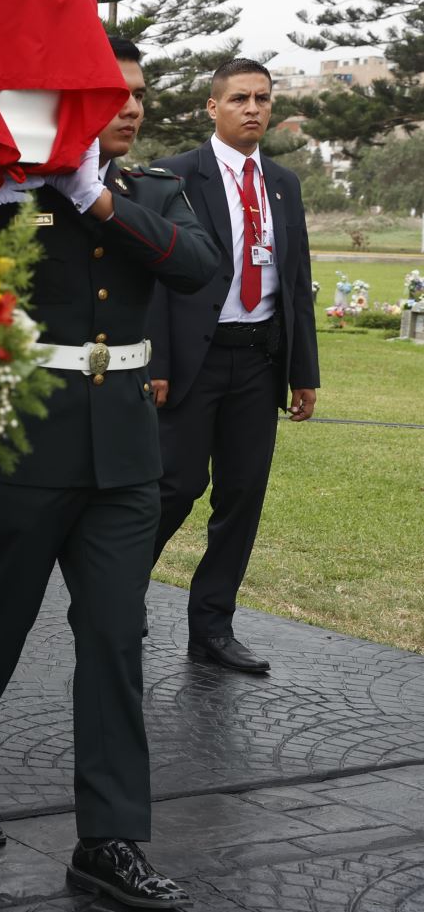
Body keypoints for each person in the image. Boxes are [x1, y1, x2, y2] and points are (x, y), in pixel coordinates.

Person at [0, 36, 220, 910]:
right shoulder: (3, 192)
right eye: (111, 95)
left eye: (138, 94)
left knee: (115, 634)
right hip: (29, 440)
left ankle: (110, 837)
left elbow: (198, 267)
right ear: (69, 105)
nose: (129, 108)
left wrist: (94, 197)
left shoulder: (152, 192)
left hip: (126, 450)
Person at [148, 58, 321, 674]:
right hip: (195, 360)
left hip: (258, 361)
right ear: (213, 108)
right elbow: (157, 281)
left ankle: (212, 628)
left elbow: (295, 281)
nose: (254, 108)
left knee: (242, 496)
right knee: (177, 487)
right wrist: (157, 362)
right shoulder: (174, 176)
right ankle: (116, 600)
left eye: (263, 99)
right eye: (241, 98)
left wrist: (304, 372)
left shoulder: (284, 184)